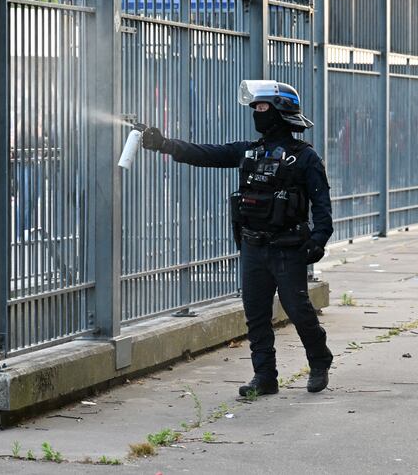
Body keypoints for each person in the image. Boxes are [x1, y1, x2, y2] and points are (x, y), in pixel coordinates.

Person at [140, 79, 333, 395]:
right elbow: (208, 154)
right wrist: (165, 144)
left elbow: (321, 203)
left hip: (287, 247)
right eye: (254, 107)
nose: (256, 113)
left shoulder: (305, 157)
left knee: (297, 309)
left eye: (261, 107)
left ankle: (319, 359)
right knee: (256, 313)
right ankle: (265, 377)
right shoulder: (249, 151)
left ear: (280, 111)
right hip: (253, 246)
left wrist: (319, 239)